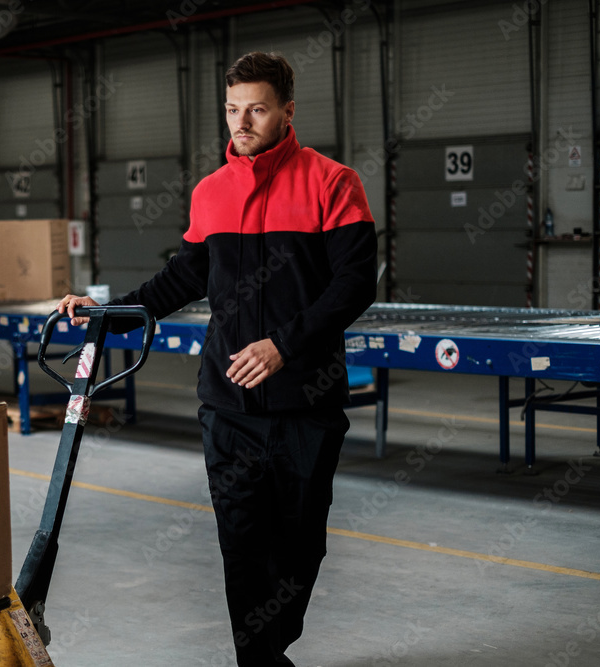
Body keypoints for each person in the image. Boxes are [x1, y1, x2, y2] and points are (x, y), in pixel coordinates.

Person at [58, 51, 377, 667]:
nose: (242, 122)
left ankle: (271, 644)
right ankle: (257, 660)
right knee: (240, 539)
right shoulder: (211, 193)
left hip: (306, 404)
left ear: (287, 110)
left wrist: (285, 345)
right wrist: (104, 310)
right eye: (232, 110)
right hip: (227, 406)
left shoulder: (332, 182)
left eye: (256, 109)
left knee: (298, 542)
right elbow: (182, 279)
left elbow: (354, 284)